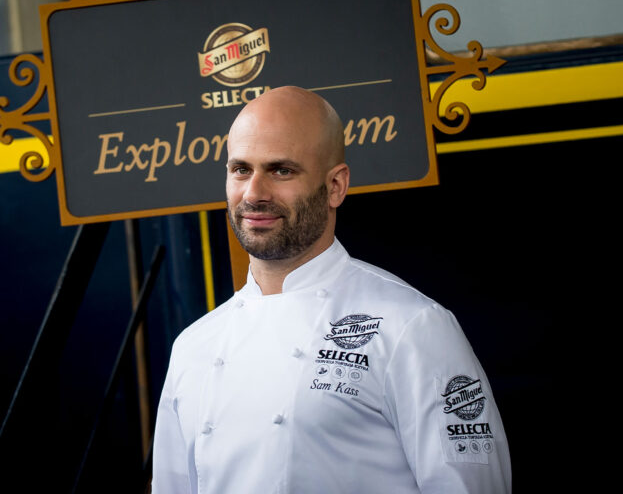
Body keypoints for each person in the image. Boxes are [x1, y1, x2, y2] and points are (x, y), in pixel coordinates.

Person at [151, 86, 511, 493]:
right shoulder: (194, 346)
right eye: (241, 170)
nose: (254, 194)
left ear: (336, 186)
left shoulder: (412, 327)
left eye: (281, 170)